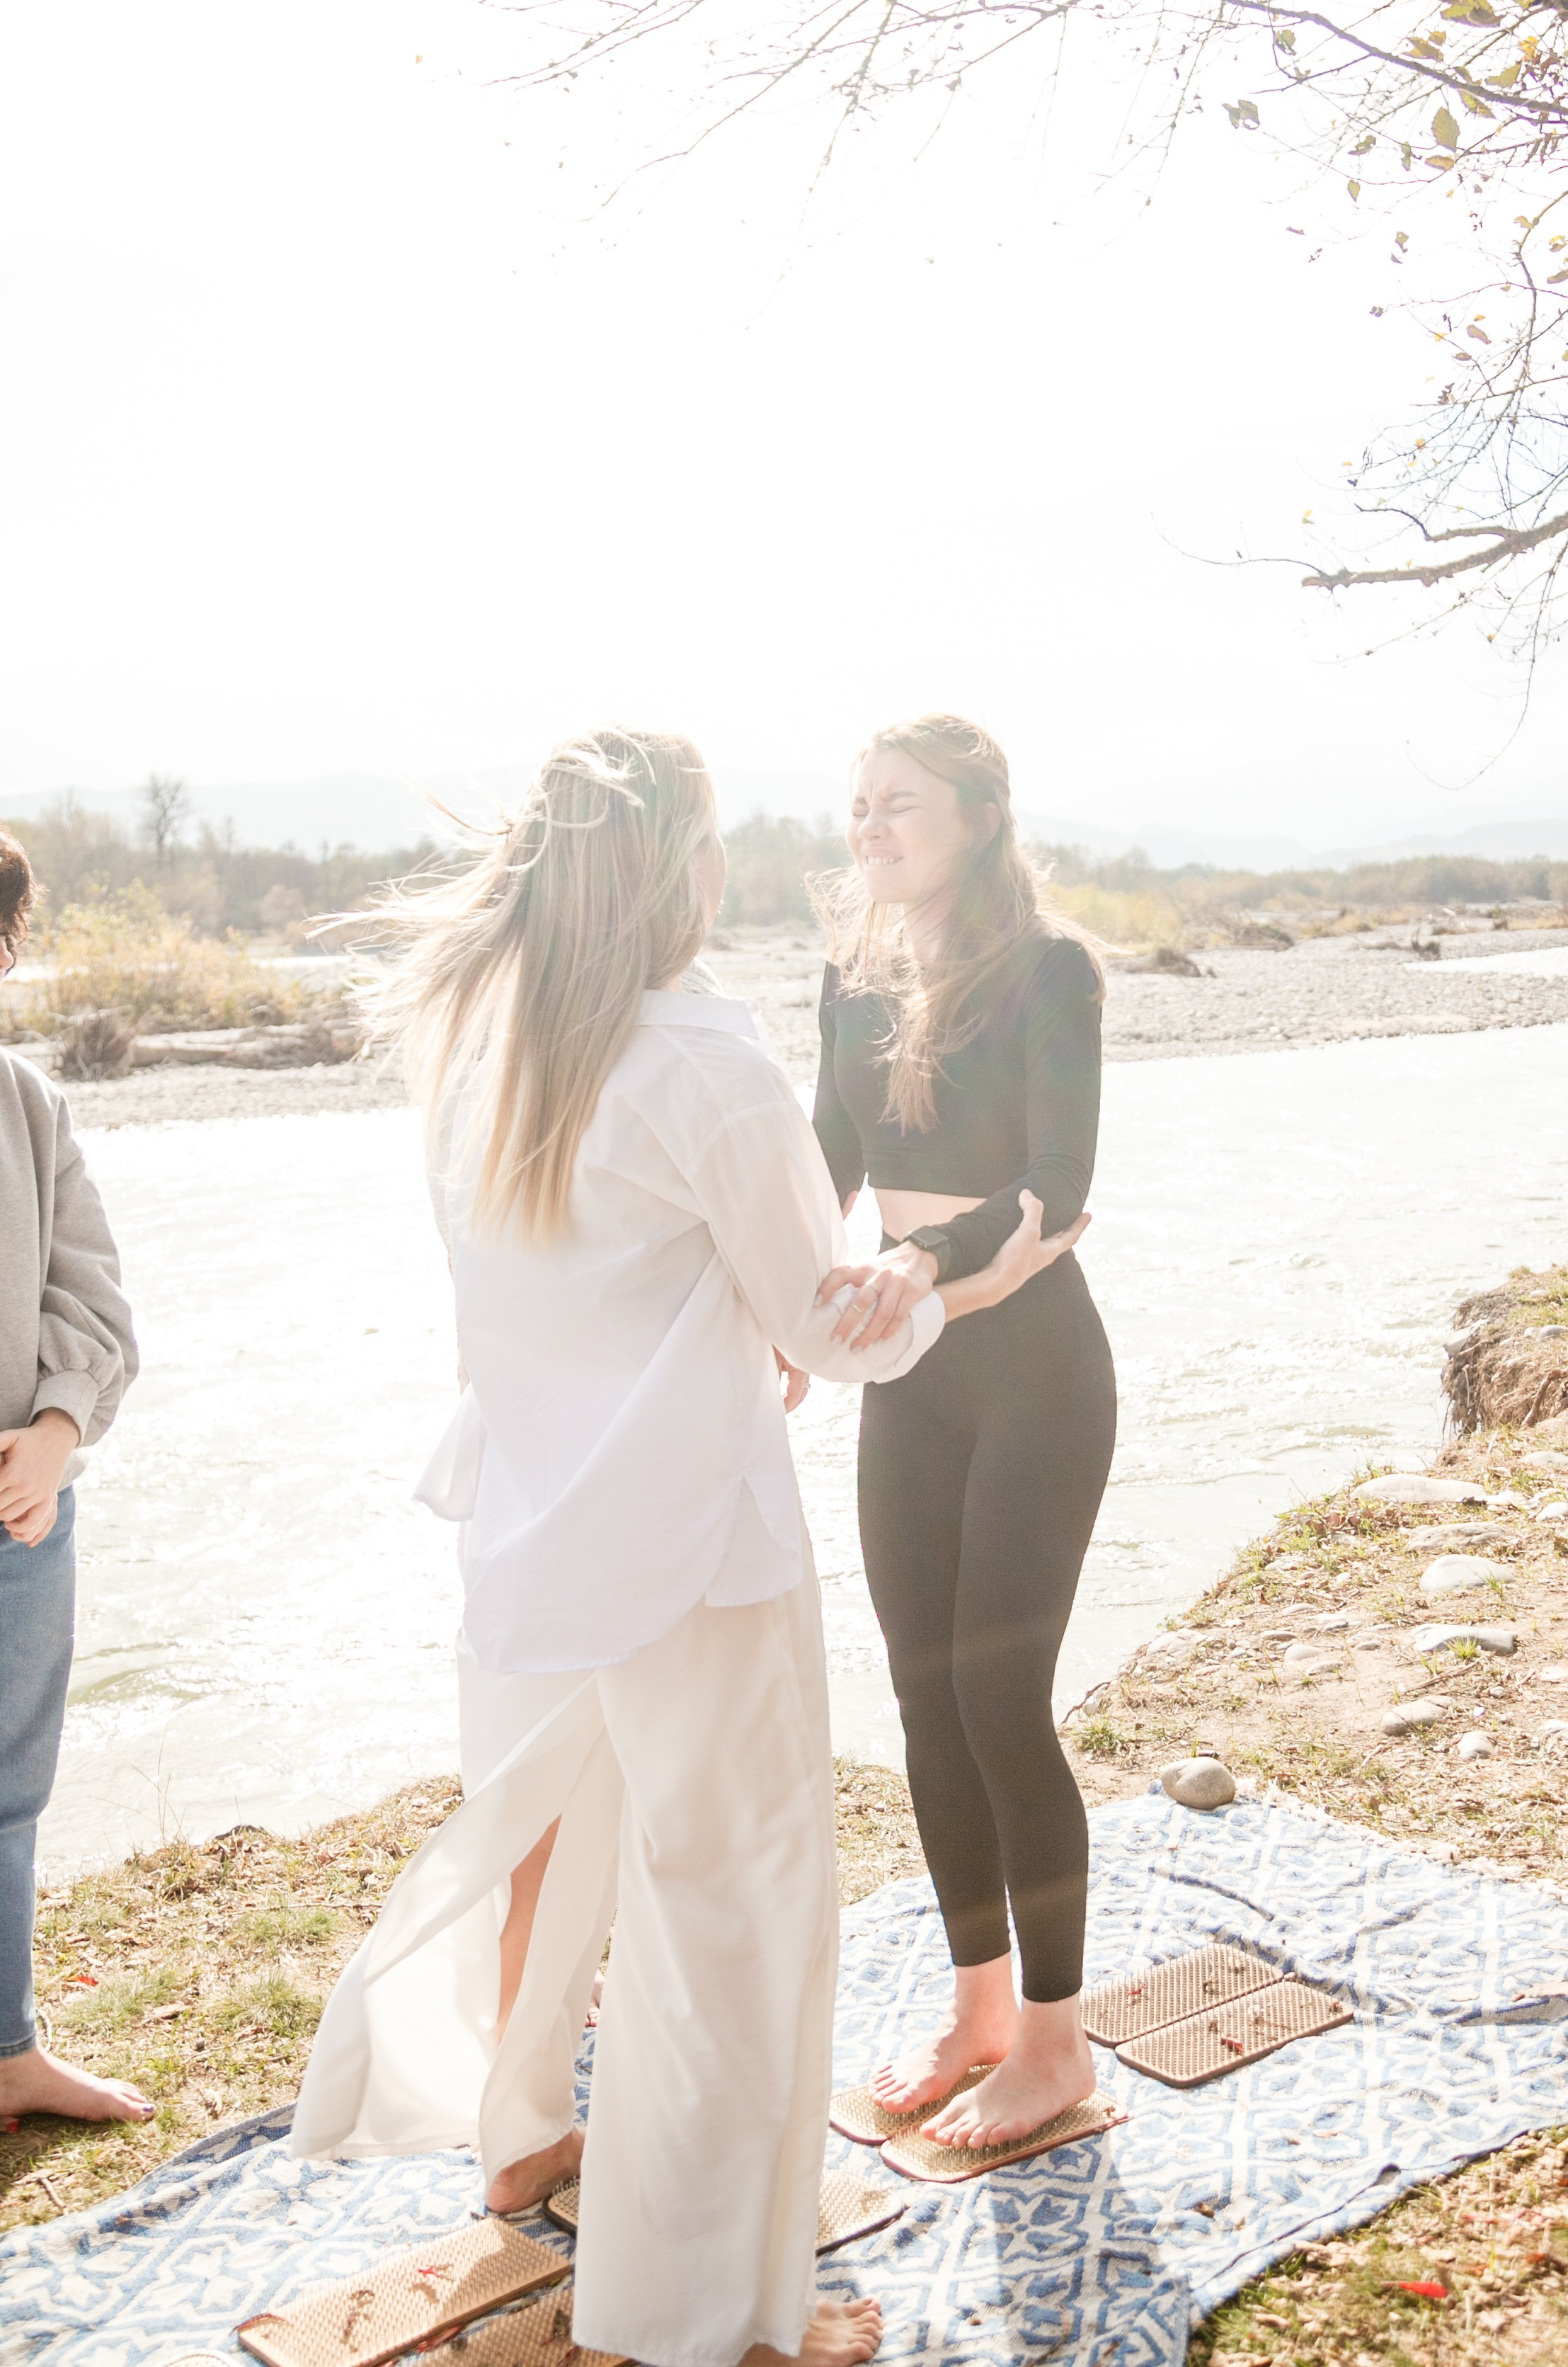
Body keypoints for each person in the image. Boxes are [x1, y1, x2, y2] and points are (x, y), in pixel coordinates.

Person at [290, 730, 1080, 2367]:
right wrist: (906, 1290)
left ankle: (521, 2136)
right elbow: (828, 1328)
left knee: (551, 1844)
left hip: (519, 1524)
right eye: (715, 844)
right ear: (677, 873)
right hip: (689, 1548)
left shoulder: (481, 1040)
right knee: (729, 1899)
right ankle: (710, 2313)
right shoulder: (697, 1059)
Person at [810, 713, 1117, 2152]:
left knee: (1001, 1702)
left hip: (1032, 1369)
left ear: (978, 817)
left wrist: (923, 1264)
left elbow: (1060, 1183)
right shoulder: (850, 976)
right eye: (859, 808)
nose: (871, 831)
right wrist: (757, 1298)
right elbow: (819, 1165)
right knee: (924, 1696)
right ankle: (977, 2010)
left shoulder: (1048, 969)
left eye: (901, 808)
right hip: (905, 1368)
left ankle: (1055, 2047)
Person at [0, 831, 146, 2127]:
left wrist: (55, 1429)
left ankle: (7, 2056)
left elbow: (91, 1296)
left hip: (19, 1512)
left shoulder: (29, 1103)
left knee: (6, 1787)